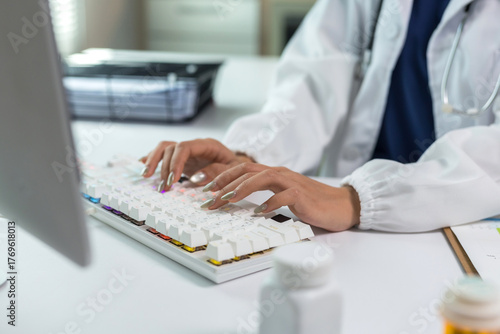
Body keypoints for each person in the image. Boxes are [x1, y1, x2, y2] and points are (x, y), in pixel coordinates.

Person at [140, 0, 500, 233]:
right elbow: (313, 78)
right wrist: (250, 155)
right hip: (354, 221)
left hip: (466, 225)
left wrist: (360, 199)